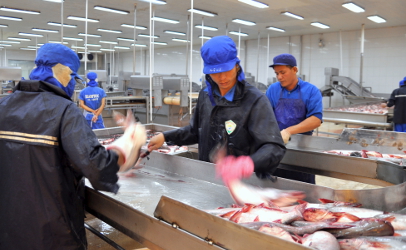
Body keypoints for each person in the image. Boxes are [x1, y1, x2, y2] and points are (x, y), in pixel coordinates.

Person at [0, 43, 145, 250]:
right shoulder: (65, 111)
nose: (72, 84)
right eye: (72, 77)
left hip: (8, 230)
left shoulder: (3, 106)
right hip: (53, 234)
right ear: (62, 72)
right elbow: (98, 168)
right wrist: (129, 144)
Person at [148, 36, 286, 185]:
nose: (222, 78)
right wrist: (165, 136)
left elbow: (274, 147)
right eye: (215, 72)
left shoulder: (255, 100)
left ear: (237, 66)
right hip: (207, 179)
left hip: (242, 184)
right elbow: (195, 131)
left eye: (227, 70)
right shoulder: (206, 95)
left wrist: (246, 164)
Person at [265, 53, 323, 184]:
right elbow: (265, 115)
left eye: (283, 72)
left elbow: (316, 119)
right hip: (277, 148)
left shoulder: (311, 91)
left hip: (302, 150)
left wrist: (288, 131)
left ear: (295, 69)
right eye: (276, 73)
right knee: (276, 188)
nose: (279, 77)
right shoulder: (272, 90)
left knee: (303, 190)